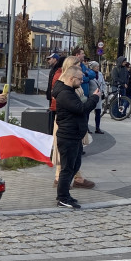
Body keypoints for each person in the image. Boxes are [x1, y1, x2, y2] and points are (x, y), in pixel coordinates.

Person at [53, 63, 99, 209]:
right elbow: (81, 109)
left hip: (74, 135)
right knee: (67, 168)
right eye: (79, 79)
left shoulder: (69, 91)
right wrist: (95, 98)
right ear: (72, 78)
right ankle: (62, 197)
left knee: (74, 166)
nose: (81, 82)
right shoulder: (65, 94)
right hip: (68, 136)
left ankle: (65, 194)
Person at [89, 60, 107, 133]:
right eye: (96, 66)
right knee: (88, 112)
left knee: (98, 111)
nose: (97, 68)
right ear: (92, 67)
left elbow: (103, 83)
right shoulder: (89, 74)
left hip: (99, 94)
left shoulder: (100, 74)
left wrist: (104, 92)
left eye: (98, 66)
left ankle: (97, 128)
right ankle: (86, 127)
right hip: (91, 94)